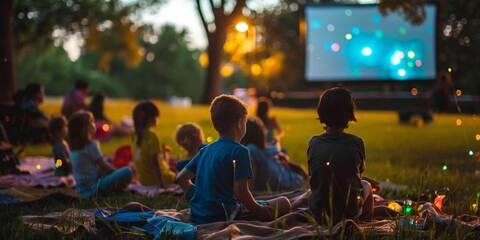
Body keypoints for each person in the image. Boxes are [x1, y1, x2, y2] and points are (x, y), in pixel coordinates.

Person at [176, 94, 291, 224]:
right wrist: (259, 210)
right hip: (224, 214)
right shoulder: (240, 151)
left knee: (265, 200)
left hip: (197, 214)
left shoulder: (205, 150)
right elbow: (241, 193)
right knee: (284, 202)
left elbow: (181, 178)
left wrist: (196, 197)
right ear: (240, 122)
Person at [307, 87, 376, 225]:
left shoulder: (313, 142)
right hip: (349, 213)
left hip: (320, 214)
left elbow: (317, 174)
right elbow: (357, 178)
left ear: (321, 112)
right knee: (366, 185)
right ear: (350, 114)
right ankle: (364, 220)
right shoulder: (356, 142)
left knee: (310, 194)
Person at [68, 111, 132, 198]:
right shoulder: (91, 145)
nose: (94, 125)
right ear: (85, 129)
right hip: (94, 189)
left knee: (105, 170)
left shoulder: (73, 148)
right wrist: (118, 174)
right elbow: (104, 166)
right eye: (91, 123)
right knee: (127, 171)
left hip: (80, 191)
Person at [241, 117, 307, 193]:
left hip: (292, 180)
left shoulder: (251, 150)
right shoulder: (258, 152)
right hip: (292, 178)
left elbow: (248, 190)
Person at [131, 101, 175, 188]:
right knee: (182, 174)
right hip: (160, 180)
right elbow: (155, 163)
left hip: (144, 181)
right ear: (151, 118)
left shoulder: (134, 136)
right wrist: (161, 186)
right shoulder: (153, 137)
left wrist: (164, 152)